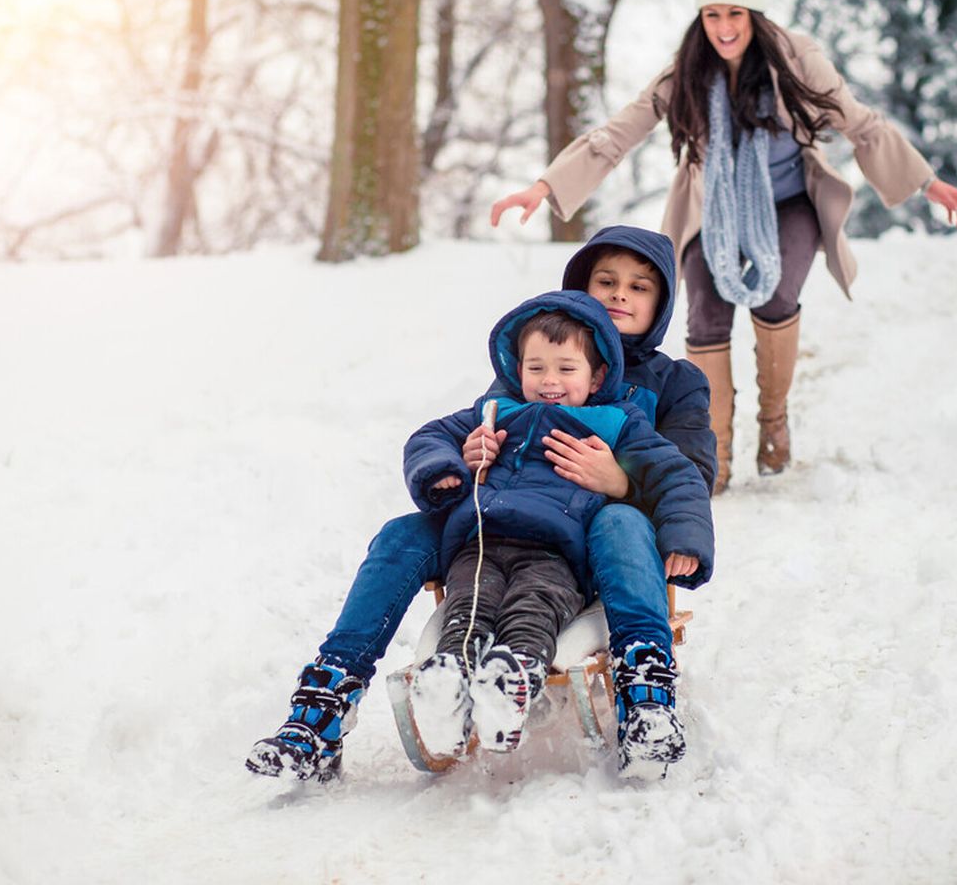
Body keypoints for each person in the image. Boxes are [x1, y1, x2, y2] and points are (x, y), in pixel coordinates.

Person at [490, 0, 957, 494]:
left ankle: (773, 419)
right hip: (712, 209)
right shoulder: (687, 74)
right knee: (706, 314)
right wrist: (545, 187)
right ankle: (713, 453)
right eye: (712, 15)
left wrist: (927, 182)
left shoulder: (797, 61)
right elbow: (619, 132)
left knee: (776, 298)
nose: (723, 28)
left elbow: (861, 124)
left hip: (789, 201)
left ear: (756, 15)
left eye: (735, 14)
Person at [246, 225, 716, 782]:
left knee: (618, 519)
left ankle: (646, 699)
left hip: (599, 538)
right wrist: (463, 460)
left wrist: (619, 481)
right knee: (401, 534)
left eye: (638, 288)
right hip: (494, 523)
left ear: (660, 304)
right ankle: (325, 704)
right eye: (605, 282)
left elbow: (687, 473)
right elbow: (454, 431)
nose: (619, 295)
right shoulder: (526, 373)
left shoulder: (668, 386)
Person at [401, 294, 713, 768]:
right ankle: (449, 688)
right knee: (469, 603)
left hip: (559, 554)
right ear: (517, 368)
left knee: (534, 603)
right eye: (537, 369)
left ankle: (515, 677)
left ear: (597, 376)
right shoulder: (496, 411)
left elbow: (679, 473)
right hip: (484, 544)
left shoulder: (615, 422)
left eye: (566, 370)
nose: (550, 382)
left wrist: (683, 535)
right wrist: (455, 462)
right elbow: (430, 436)